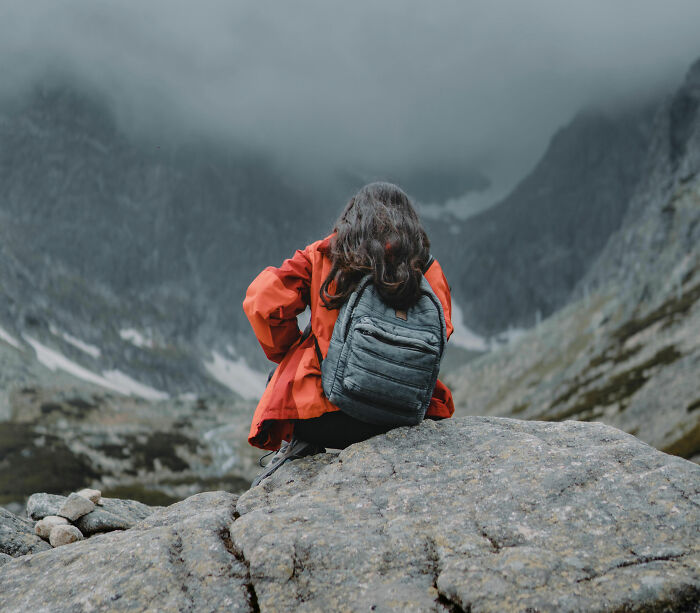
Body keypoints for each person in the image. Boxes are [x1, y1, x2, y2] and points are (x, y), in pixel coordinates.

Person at [243, 182, 454, 486]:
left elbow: (263, 301)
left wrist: (289, 350)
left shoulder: (326, 252)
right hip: (406, 419)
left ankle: (299, 450)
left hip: (325, 421)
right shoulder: (427, 268)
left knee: (280, 379)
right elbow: (441, 331)